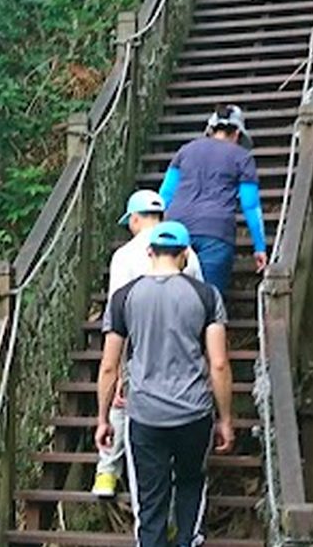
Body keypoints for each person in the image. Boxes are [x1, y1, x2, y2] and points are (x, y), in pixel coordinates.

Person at [95, 221, 235, 547]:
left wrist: (103, 418)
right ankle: (188, 540)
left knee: (150, 499)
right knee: (190, 483)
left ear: (149, 252)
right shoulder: (206, 295)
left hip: (144, 414)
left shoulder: (123, 297)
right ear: (185, 253)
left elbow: (109, 366)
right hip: (194, 412)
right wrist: (225, 418)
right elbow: (218, 363)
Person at [92, 190, 204, 498]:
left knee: (121, 403)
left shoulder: (124, 255)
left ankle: (107, 470)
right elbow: (200, 299)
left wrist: (118, 370)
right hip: (182, 348)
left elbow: (118, 313)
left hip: (138, 345)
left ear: (135, 219)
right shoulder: (187, 252)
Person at [158, 105, 268, 297]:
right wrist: (259, 247)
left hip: (176, 229)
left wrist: (156, 233)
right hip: (216, 233)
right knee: (209, 299)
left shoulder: (185, 151)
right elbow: (250, 205)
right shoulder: (242, 157)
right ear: (237, 133)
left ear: (210, 130)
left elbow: (165, 195)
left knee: (171, 297)